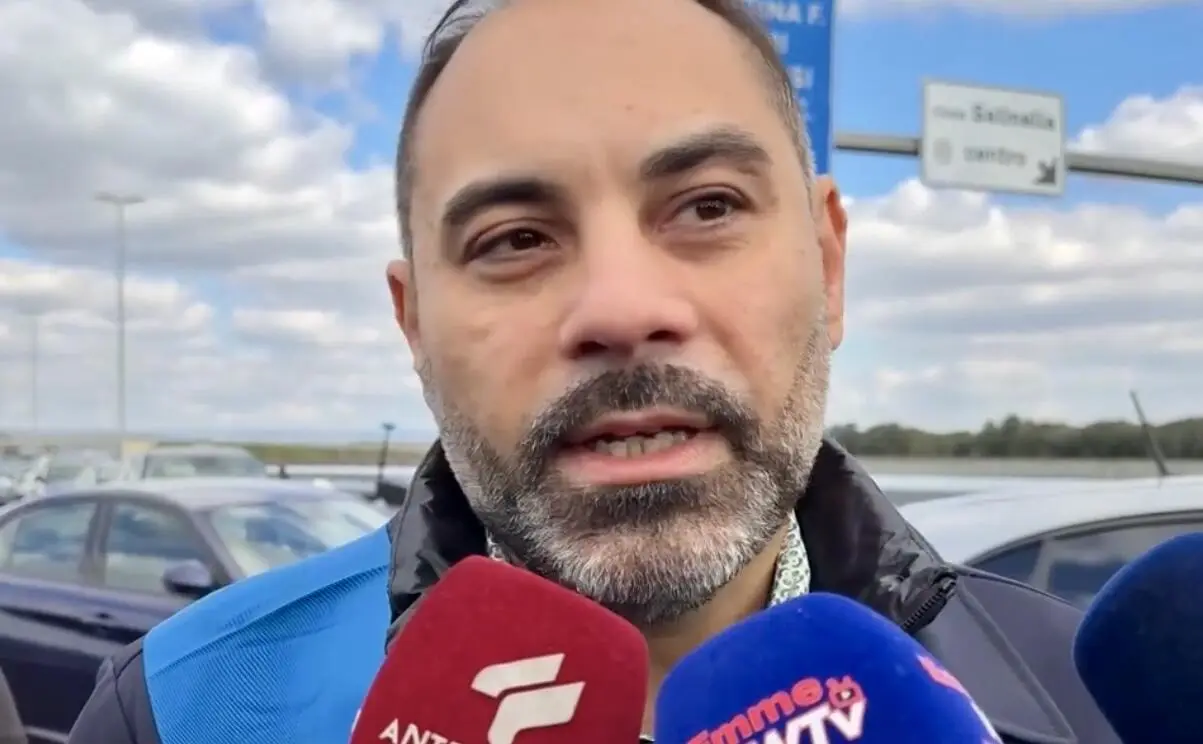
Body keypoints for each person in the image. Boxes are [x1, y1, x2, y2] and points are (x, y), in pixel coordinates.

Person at [69, 0, 1119, 742]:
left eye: (707, 206)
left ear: (828, 268)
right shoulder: (177, 709)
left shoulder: (1083, 697)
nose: (620, 308)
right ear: (414, 324)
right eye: (515, 240)